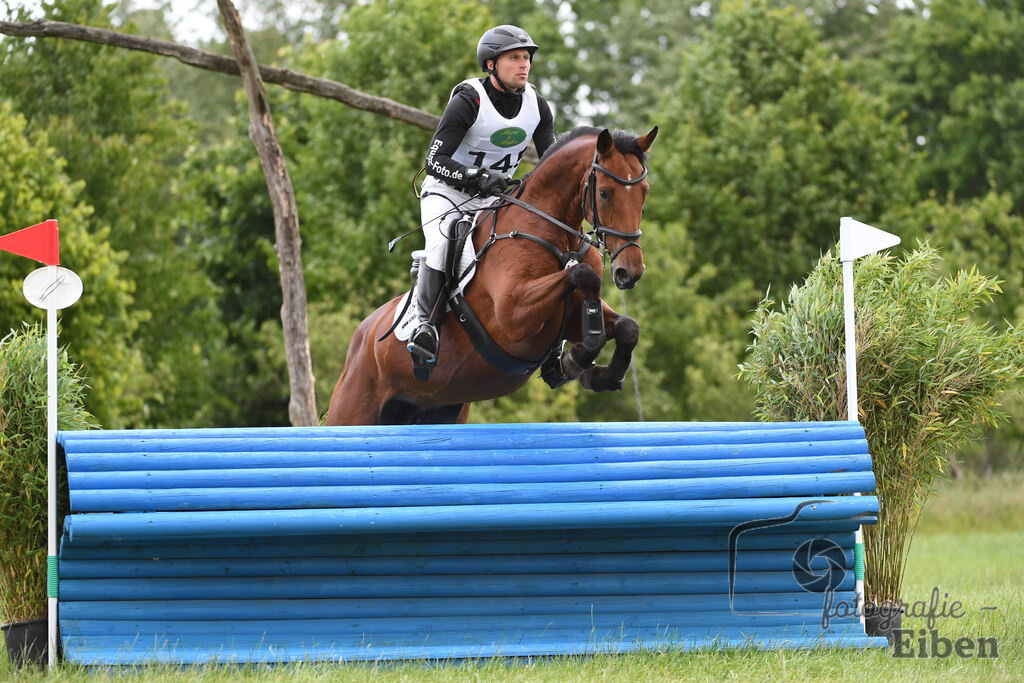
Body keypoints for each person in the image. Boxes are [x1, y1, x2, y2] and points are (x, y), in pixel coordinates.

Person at [408, 25, 556, 379]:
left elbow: (550, 162)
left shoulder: (537, 105)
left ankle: (555, 344)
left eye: (526, 58)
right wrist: (476, 177)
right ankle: (424, 327)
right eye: (515, 58)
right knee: (444, 241)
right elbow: (434, 161)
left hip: (496, 201)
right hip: (448, 193)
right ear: (491, 64)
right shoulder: (469, 100)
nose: (524, 65)